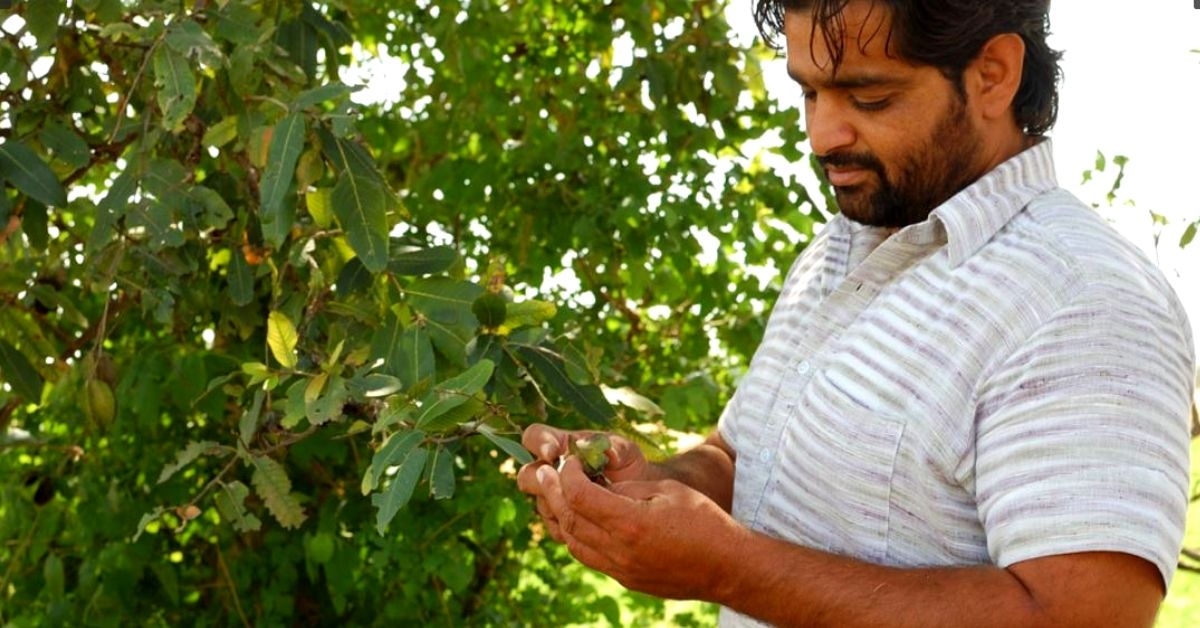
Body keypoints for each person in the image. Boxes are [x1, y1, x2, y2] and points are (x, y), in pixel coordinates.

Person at [516, 1, 1196, 625]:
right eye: (808, 92)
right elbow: (742, 457)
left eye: (869, 96)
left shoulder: (1084, 299)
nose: (821, 135)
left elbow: (1075, 619)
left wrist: (728, 568)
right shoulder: (842, 246)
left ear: (994, 74)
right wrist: (657, 484)